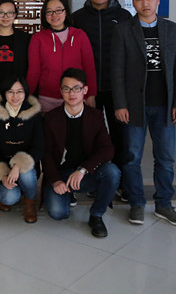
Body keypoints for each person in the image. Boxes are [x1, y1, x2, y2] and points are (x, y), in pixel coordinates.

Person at [112, 0, 176, 227]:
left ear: (158, 0)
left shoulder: (172, 29)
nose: (145, 3)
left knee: (166, 157)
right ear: (133, 2)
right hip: (134, 105)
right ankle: (136, 203)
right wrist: (120, 104)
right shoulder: (123, 30)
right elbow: (117, 70)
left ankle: (164, 204)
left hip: (165, 105)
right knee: (132, 157)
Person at [71, 0, 132, 200]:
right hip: (88, 91)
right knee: (91, 137)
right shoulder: (77, 18)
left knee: (120, 137)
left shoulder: (124, 17)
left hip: (117, 89)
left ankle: (122, 183)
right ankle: (94, 181)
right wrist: (83, 89)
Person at [42, 68, 120, 238]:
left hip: (84, 173)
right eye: (66, 89)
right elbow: (45, 153)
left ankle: (97, 215)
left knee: (112, 172)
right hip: (61, 174)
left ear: (85, 90)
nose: (71, 93)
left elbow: (107, 149)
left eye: (76, 88)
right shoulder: (51, 118)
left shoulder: (96, 116)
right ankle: (68, 194)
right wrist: (55, 180)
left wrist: (83, 169)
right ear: (61, 91)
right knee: (58, 213)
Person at [26, 0, 97, 114]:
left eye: (58, 10)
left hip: (77, 96)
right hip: (47, 99)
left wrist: (91, 95)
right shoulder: (38, 38)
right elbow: (34, 71)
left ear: (66, 12)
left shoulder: (80, 35)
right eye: (49, 11)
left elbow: (89, 67)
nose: (54, 15)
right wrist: (28, 96)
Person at [0, 75, 43, 223]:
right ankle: (1, 191)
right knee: (10, 197)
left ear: (26, 93)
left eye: (19, 92)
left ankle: (30, 202)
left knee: (26, 173)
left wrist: (18, 165)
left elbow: (39, 147)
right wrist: (2, 176)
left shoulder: (34, 114)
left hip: (26, 167)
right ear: (4, 93)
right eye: (10, 92)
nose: (15, 96)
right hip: (3, 167)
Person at [0, 0, 31, 100]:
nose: (5, 16)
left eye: (10, 13)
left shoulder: (26, 39)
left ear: (15, 15)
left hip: (17, 94)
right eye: (1, 13)